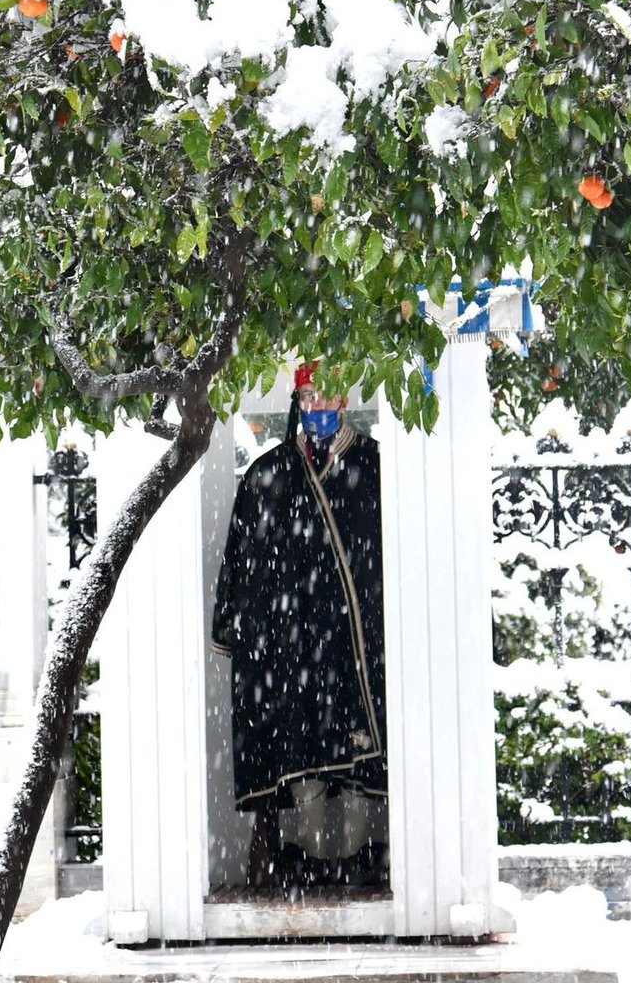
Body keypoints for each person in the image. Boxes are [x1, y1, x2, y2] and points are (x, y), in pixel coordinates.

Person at [211, 362, 387, 888]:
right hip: (293, 643)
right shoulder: (268, 475)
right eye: (307, 396)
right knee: (301, 750)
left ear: (344, 401)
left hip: (359, 638)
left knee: (359, 754)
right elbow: (243, 561)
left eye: (327, 396)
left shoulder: (377, 466)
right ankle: (313, 860)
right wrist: (241, 626)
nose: (317, 408)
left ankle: (355, 859)